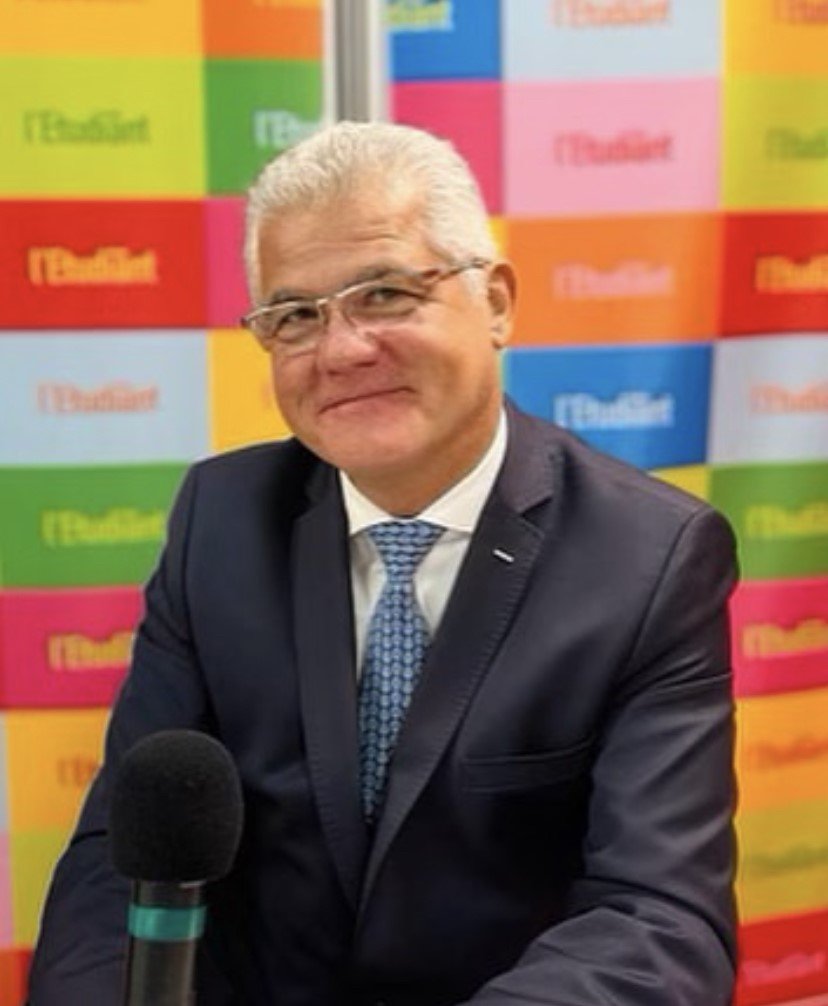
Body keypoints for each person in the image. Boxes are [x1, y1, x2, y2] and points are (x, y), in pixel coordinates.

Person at [28, 121, 738, 1006]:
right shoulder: (221, 520)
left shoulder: (651, 557)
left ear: (497, 302)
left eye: (386, 294)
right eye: (296, 316)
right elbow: (119, 861)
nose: (342, 350)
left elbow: (658, 916)